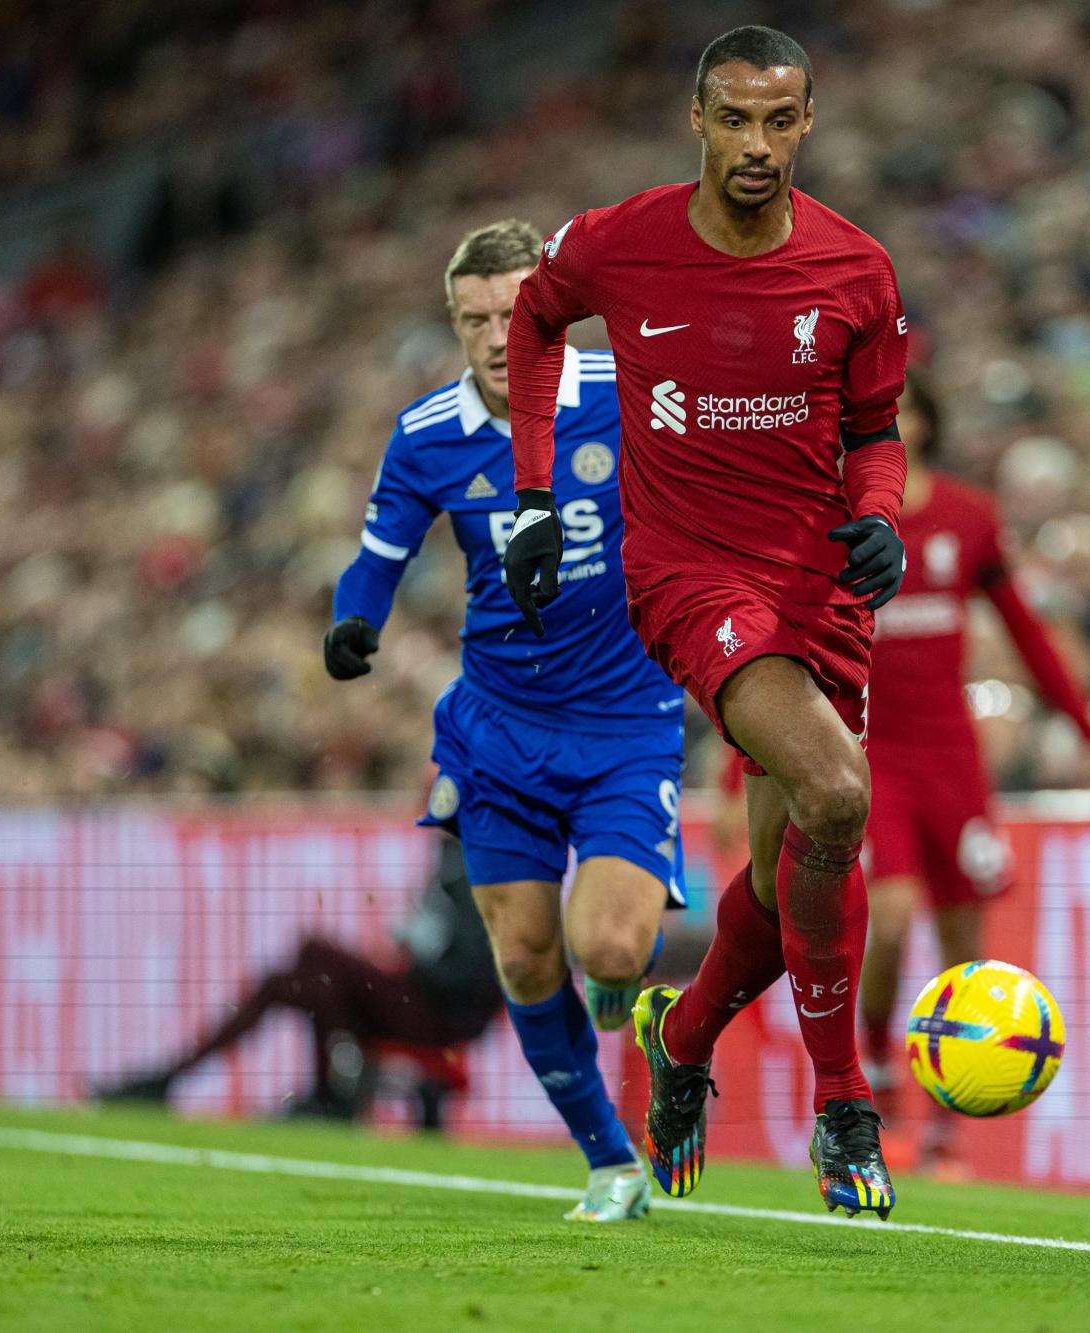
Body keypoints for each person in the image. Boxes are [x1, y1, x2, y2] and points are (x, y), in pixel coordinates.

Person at [502, 26, 908, 1217]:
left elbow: (874, 434)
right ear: (696, 120)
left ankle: (679, 1037)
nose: (755, 143)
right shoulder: (616, 242)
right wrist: (534, 493)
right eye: (734, 119)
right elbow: (532, 322)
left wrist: (880, 517)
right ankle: (844, 1105)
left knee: (793, 877)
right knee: (835, 792)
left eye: (778, 120)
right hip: (687, 575)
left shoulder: (856, 270)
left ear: (807, 122)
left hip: (818, 587)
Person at [325, 220, 690, 1223]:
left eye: (514, 313)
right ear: (454, 322)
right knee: (525, 955)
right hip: (498, 730)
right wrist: (354, 621)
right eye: (474, 318)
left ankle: (619, 983)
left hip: (625, 720)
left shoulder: (626, 393)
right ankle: (609, 1163)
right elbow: (379, 556)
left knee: (607, 949)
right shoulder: (427, 434)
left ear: (556, 311)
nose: (496, 336)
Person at [854, 377, 1090, 1156]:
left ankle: (950, 1118)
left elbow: (1025, 631)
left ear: (929, 421)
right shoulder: (837, 512)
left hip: (950, 754)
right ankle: (876, 1066)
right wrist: (741, 772)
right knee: (892, 917)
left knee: (964, 944)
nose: (892, 422)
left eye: (905, 408)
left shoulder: (968, 517)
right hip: (871, 752)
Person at [96, 838, 501, 1123]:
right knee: (293, 984)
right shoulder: (458, 865)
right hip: (427, 1001)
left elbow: (470, 971)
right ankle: (327, 1092)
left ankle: (329, 1090)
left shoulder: (471, 870)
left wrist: (421, 955)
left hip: (438, 1011)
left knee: (315, 956)